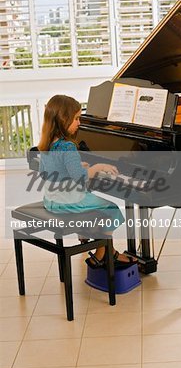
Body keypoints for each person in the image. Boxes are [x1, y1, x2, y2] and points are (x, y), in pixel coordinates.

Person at [38, 94, 137, 268]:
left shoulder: (47, 144)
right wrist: (97, 167)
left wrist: (75, 166)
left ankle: (110, 251)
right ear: (63, 120)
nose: (79, 123)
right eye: (76, 118)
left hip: (52, 200)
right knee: (111, 209)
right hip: (68, 202)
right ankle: (101, 254)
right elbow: (81, 178)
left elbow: (46, 172)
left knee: (94, 201)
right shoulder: (68, 146)